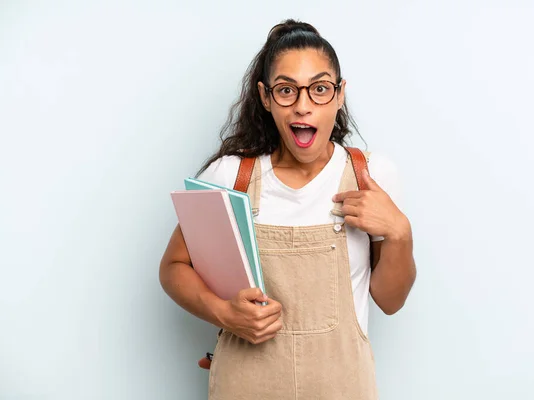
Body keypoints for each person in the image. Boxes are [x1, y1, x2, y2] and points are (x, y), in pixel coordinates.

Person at [159, 19, 416, 400]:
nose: (303, 106)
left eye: (319, 89)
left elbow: (390, 301)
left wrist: (400, 233)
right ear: (265, 97)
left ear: (340, 93)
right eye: (286, 91)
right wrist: (224, 314)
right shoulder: (231, 176)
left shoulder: (371, 176)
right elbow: (173, 268)